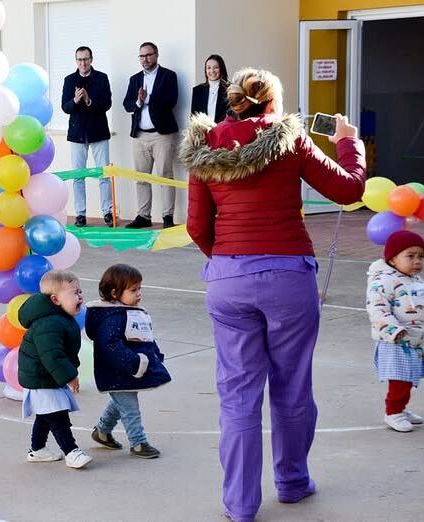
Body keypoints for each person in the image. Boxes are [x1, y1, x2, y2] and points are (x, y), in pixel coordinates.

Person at [179, 68, 366, 522]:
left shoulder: (205, 149)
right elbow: (350, 188)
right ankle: (292, 482)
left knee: (238, 397)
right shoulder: (293, 140)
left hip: (228, 279)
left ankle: (240, 506)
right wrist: (348, 142)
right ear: (273, 105)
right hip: (288, 276)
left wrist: (226, 260)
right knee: (292, 387)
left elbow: (196, 227)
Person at [85, 263, 171, 459]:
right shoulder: (112, 318)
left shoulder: (131, 312)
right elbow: (110, 345)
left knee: (121, 402)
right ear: (115, 293)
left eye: (139, 288)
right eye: (133, 290)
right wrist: (134, 363)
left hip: (129, 370)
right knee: (129, 406)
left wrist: (155, 356)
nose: (139, 293)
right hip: (119, 369)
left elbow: (145, 337)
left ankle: (102, 431)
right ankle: (138, 442)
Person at [17, 270, 93, 469]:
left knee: (45, 414)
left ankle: (37, 450)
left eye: (80, 292)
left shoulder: (60, 318)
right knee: (58, 416)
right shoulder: (49, 323)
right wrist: (70, 375)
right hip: (40, 376)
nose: (80, 296)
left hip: (46, 376)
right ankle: (71, 451)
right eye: (75, 292)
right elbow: (52, 355)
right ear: (55, 299)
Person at [366, 230, 424, 433]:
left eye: (421, 256)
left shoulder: (415, 280)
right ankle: (393, 412)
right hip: (395, 341)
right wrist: (394, 330)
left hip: (415, 339)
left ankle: (402, 409)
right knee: (399, 380)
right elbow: (377, 309)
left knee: (409, 379)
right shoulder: (383, 281)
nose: (417, 261)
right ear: (392, 259)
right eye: (410, 256)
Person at [122, 42, 179, 229]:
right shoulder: (135, 79)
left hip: (162, 135)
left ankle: (167, 217)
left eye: (148, 55)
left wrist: (148, 98)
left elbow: (171, 101)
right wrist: (138, 101)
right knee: (141, 178)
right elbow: (127, 104)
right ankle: (144, 216)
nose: (145, 59)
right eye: (141, 56)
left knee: (165, 176)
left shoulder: (168, 76)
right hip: (139, 136)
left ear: (156, 55)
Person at [61, 46, 113, 227]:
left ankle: (108, 212)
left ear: (91, 59)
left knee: (104, 174)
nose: (83, 63)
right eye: (79, 60)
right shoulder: (69, 80)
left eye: (86, 59)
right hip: (77, 134)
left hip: (98, 132)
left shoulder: (101, 78)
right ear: (76, 61)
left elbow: (107, 103)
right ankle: (80, 214)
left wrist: (90, 101)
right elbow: (65, 107)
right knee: (78, 176)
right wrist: (75, 100)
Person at [190, 54, 229, 124]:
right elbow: (193, 117)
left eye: (216, 67)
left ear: (221, 69)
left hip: (224, 132)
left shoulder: (230, 89)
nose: (212, 71)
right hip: (204, 133)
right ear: (205, 70)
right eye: (209, 68)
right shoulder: (197, 90)